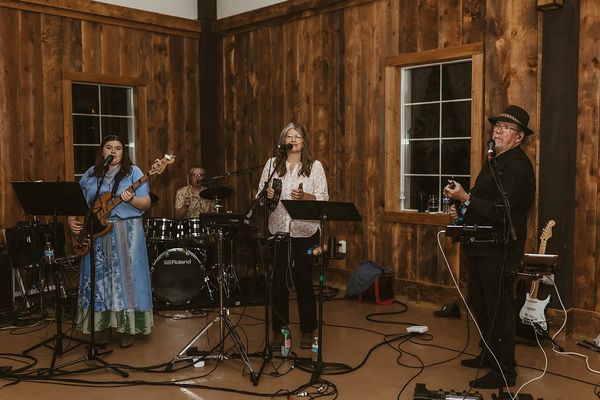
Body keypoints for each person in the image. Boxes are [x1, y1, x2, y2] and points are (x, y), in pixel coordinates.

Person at [443, 105, 536, 389]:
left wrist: (466, 198)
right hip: (481, 246)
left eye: (506, 128)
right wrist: (461, 207)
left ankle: (504, 371)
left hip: (500, 250)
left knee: (499, 309)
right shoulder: (495, 161)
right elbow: (481, 201)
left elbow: (500, 211)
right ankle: (488, 354)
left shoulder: (518, 166)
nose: (498, 130)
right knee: (480, 304)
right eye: (497, 126)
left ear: (519, 137)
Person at [67, 135, 153, 348]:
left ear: (123, 152)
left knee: (126, 280)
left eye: (118, 148)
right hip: (96, 233)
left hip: (126, 232)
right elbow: (76, 201)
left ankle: (128, 328)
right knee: (99, 280)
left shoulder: (134, 172)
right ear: (102, 151)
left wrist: (132, 199)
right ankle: (103, 326)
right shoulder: (91, 173)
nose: (113, 151)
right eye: (109, 147)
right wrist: (71, 220)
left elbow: (146, 203)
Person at [257, 122, 329, 350]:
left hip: (305, 230)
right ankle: (279, 331)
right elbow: (260, 197)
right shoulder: (272, 164)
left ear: (304, 141)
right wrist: (267, 195)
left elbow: (323, 198)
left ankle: (308, 330)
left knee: (303, 280)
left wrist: (305, 196)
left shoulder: (314, 166)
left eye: (298, 136)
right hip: (278, 229)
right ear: (283, 141)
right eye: (289, 136)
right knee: (278, 282)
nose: (294, 139)